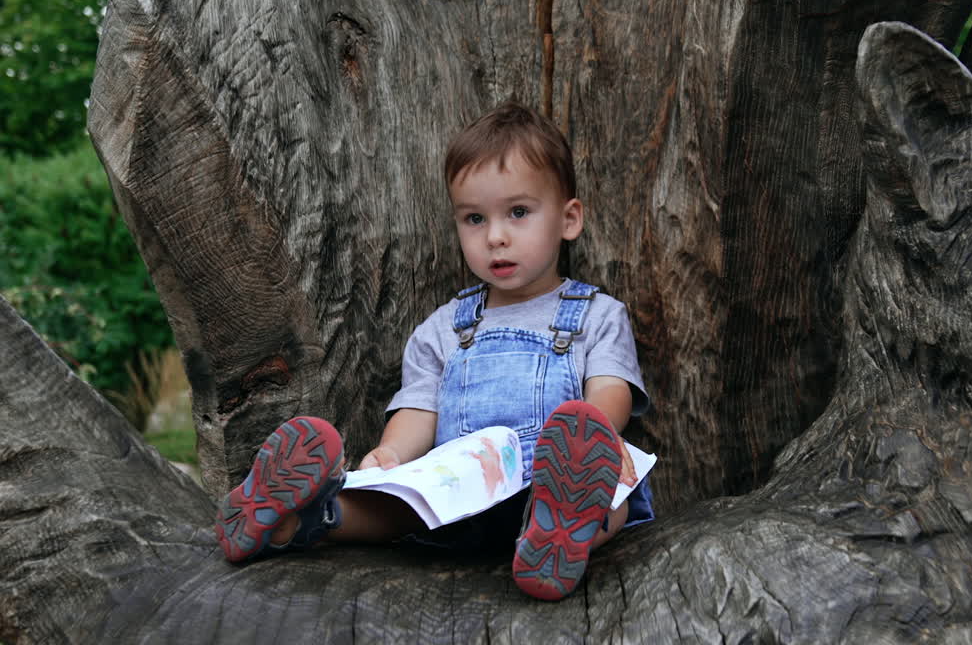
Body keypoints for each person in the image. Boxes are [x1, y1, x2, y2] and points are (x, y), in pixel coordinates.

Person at [213, 102, 654, 601]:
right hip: (464, 489)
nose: (496, 236)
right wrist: (392, 455)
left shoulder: (596, 314)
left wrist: (588, 432)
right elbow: (419, 408)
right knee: (400, 506)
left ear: (568, 219)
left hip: (552, 480)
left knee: (610, 477)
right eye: (473, 218)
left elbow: (610, 395)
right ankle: (298, 517)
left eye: (519, 212)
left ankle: (559, 534)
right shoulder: (445, 327)